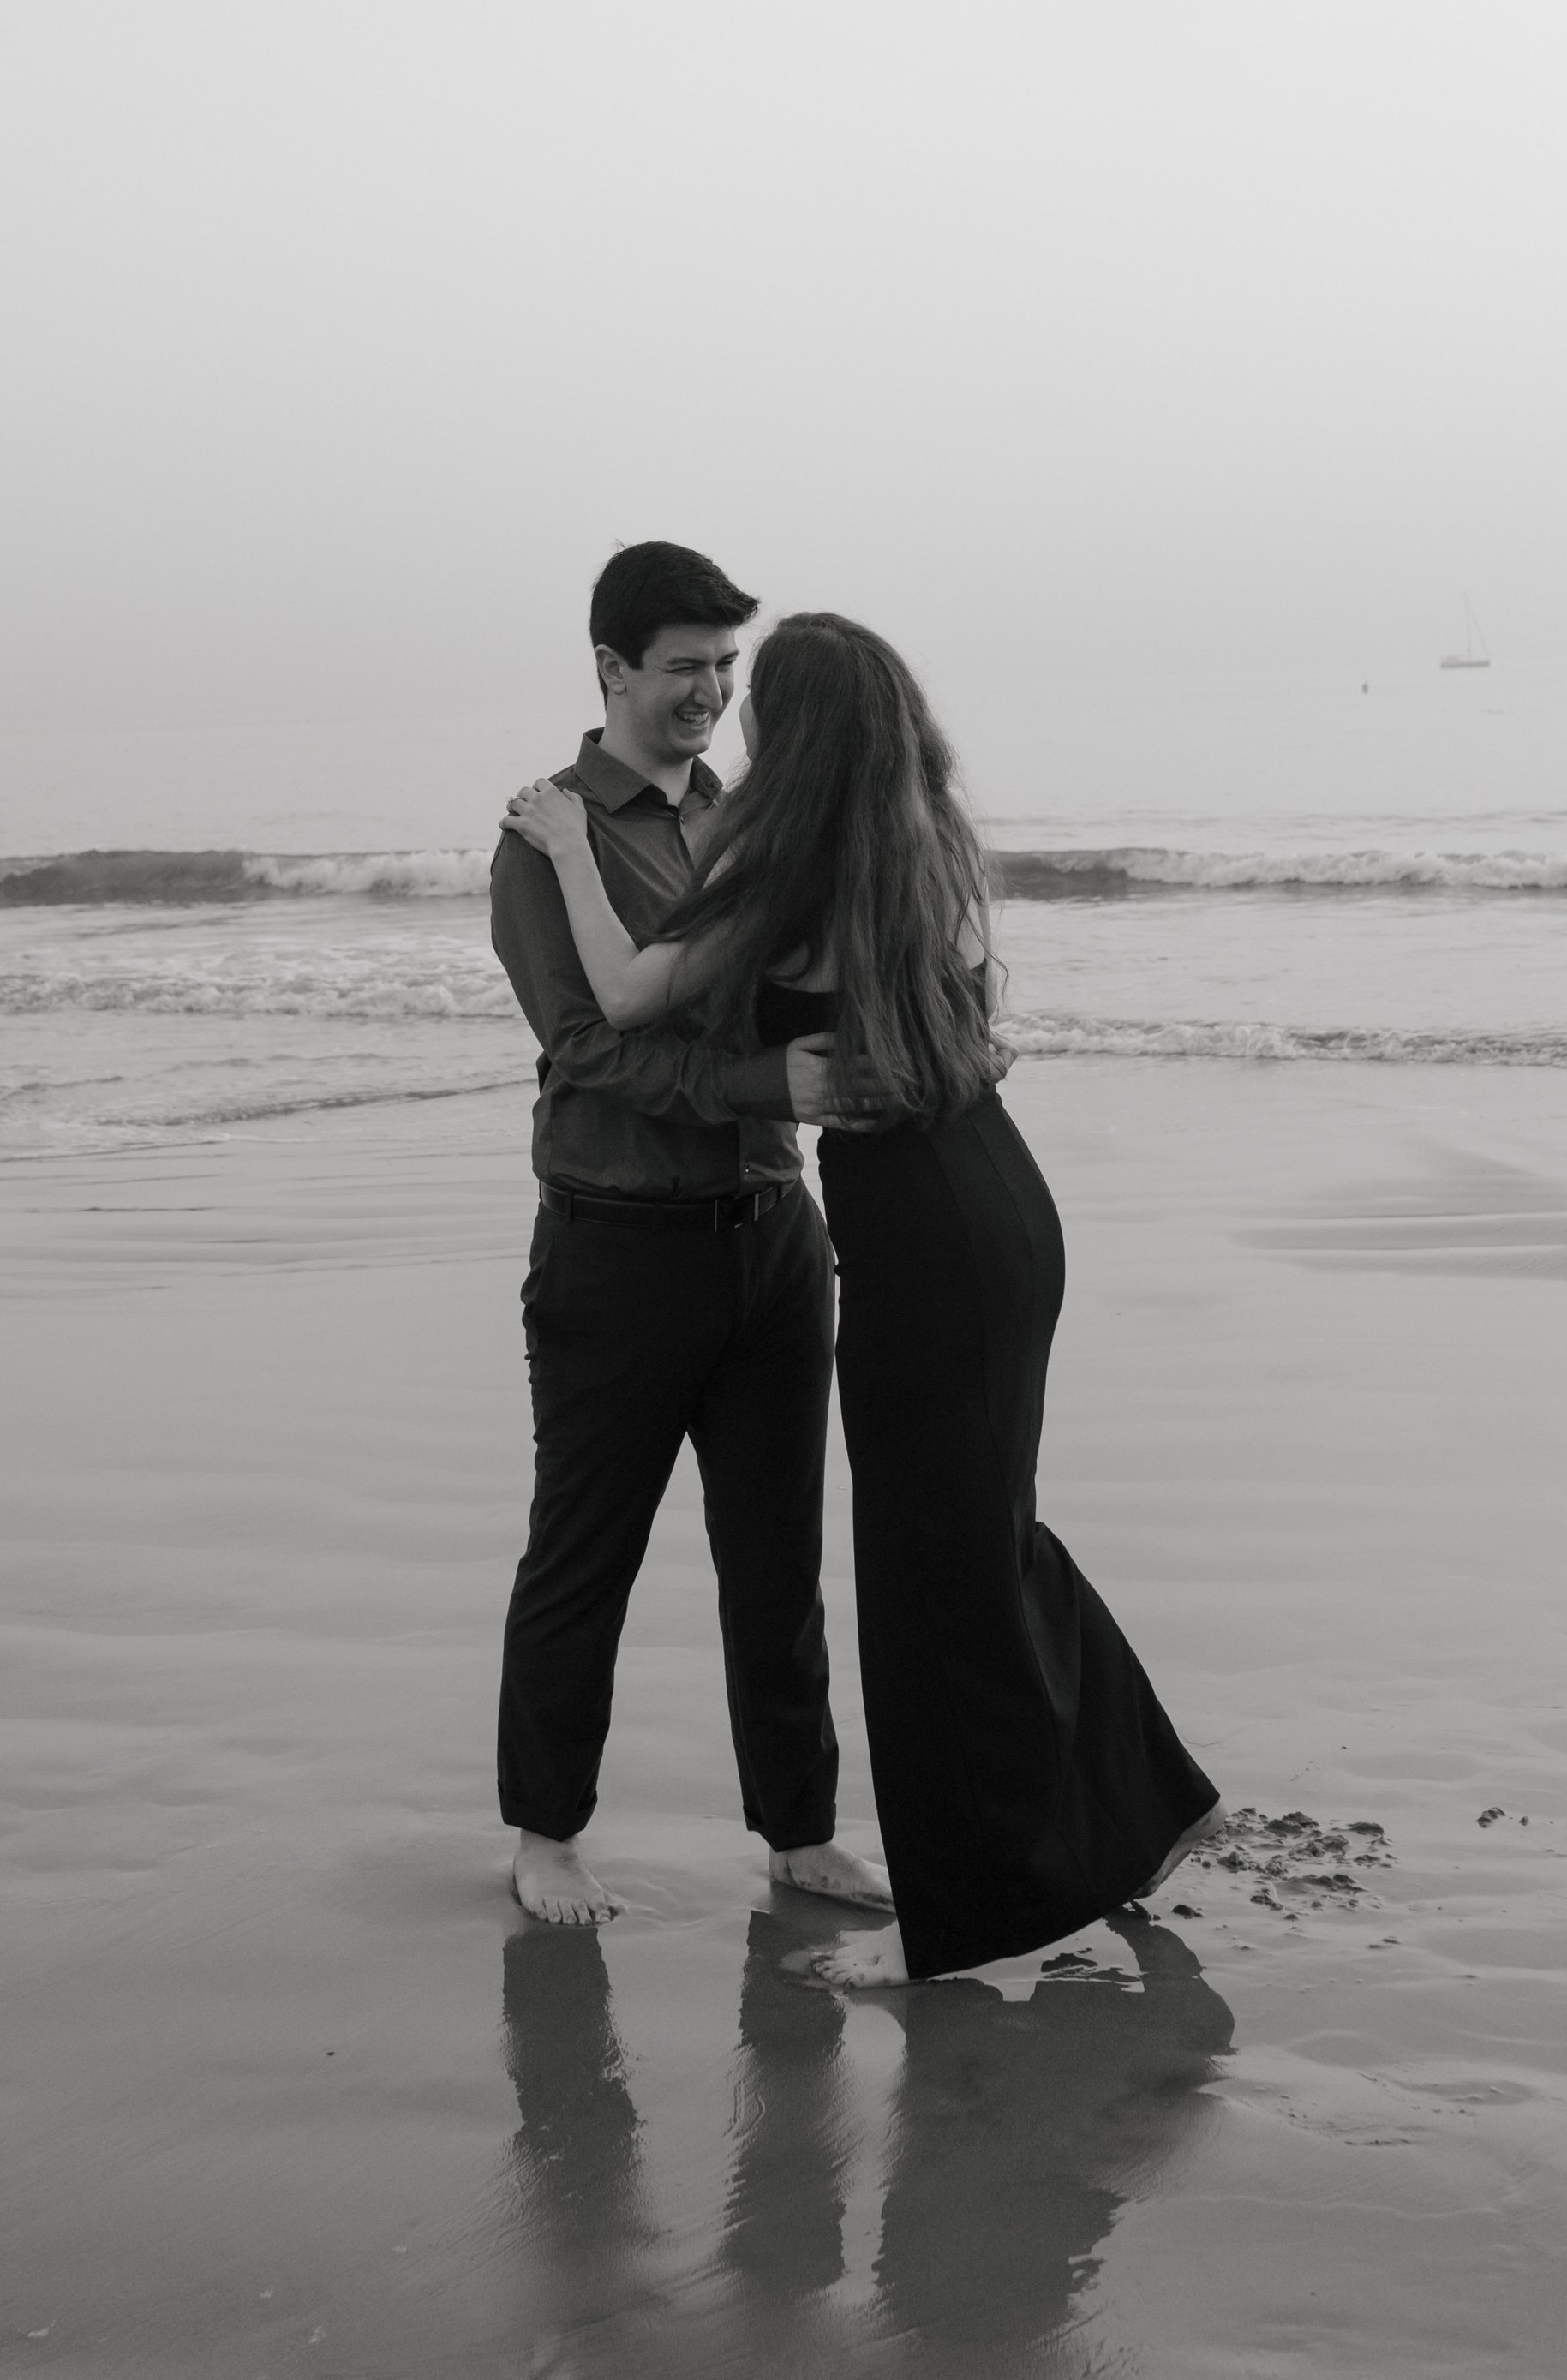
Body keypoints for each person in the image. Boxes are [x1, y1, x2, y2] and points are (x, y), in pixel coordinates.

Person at [502, 609, 1223, 1983]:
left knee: (926, 1574)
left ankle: (986, 1901)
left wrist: (564, 847)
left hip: (916, 1230)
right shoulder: (919, 831)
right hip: (1002, 1203)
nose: (730, 703)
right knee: (988, 1536)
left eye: (749, 686)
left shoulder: (786, 857)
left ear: (799, 729)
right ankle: (1148, 1801)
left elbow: (627, 986)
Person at [490, 542, 893, 1929]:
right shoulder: (544, 836)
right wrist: (754, 1083)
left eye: (728, 667)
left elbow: (772, 1002)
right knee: (582, 1553)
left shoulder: (740, 819)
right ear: (610, 668)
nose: (712, 694)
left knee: (779, 1560)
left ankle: (800, 1832)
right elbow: (589, 1047)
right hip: (617, 1250)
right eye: (684, 668)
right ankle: (546, 1837)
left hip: (776, 1236)